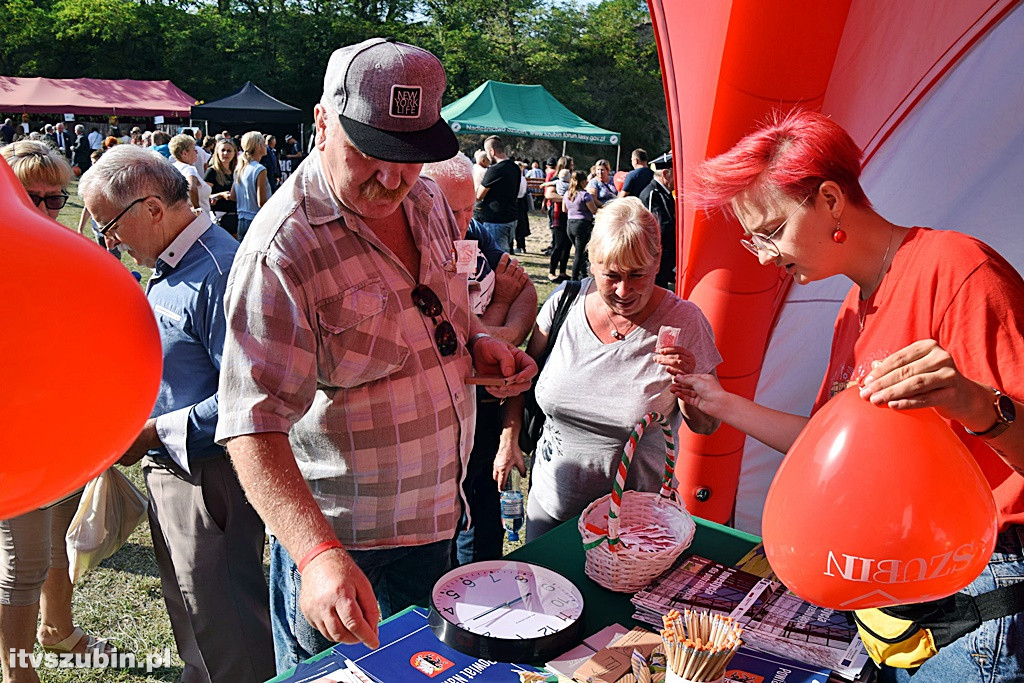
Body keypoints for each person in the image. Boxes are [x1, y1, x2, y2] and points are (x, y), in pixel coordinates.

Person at [214, 37, 537, 673]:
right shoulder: (281, 250)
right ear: (321, 121)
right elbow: (251, 424)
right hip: (345, 543)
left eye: (408, 154)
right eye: (368, 151)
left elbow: (439, 315)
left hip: (439, 517)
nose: (390, 177)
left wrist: (478, 346)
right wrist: (313, 553)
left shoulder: (429, 201)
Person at [681, 109, 1024, 683]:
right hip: (904, 578)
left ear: (831, 201)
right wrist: (715, 400)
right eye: (752, 239)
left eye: (771, 231)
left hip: (983, 576)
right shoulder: (853, 309)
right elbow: (825, 448)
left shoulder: (959, 270)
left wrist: (972, 404)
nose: (764, 256)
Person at [79, 146, 275, 683]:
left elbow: (248, 395)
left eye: (110, 226)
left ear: (152, 209)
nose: (108, 241)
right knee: (194, 611)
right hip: (177, 466)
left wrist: (152, 432)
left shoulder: (218, 269)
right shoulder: (175, 260)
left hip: (207, 473)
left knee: (224, 621)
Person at [494, 197, 721, 540]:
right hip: (550, 508)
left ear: (658, 261)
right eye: (611, 275)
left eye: (637, 275)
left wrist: (686, 384)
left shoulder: (685, 321)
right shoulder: (564, 302)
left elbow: (706, 425)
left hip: (632, 530)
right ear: (591, 263)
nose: (624, 290)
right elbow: (522, 378)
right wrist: (509, 439)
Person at [0, 140, 114, 683]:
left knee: (54, 537)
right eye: (32, 197)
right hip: (16, 438)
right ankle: (19, 673)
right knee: (23, 562)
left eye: (57, 197)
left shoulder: (66, 254)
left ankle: (57, 628)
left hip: (60, 429)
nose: (48, 209)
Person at [422, 152, 538, 565]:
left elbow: (525, 292)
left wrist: (497, 334)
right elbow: (449, 329)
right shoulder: (410, 245)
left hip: (485, 408)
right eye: (449, 209)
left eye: (468, 207)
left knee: (483, 517)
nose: (460, 220)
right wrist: (496, 309)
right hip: (437, 418)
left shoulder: (471, 234)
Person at [471, 135, 521, 253]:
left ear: (492, 151)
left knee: (496, 256)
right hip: (511, 217)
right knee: (503, 252)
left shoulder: (495, 170)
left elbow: (479, 195)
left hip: (496, 219)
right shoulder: (515, 168)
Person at [638, 156, 676, 289]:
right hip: (657, 257)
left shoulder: (664, 193)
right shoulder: (653, 194)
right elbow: (658, 228)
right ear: (665, 174)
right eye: (675, 174)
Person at [232, 130, 270, 239]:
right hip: (256, 220)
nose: (265, 146)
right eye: (263, 143)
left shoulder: (239, 168)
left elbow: (233, 196)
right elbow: (261, 202)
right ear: (258, 146)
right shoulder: (260, 169)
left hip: (241, 220)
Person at [564, 170, 599, 281]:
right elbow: (594, 210)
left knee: (580, 251)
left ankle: (583, 274)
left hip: (570, 224)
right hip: (582, 224)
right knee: (579, 254)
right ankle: (574, 278)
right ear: (583, 181)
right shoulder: (585, 195)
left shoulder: (567, 194)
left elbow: (564, 209)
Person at [169, 133, 212, 215]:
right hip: (198, 220)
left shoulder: (173, 168)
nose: (196, 152)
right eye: (194, 149)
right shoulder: (189, 169)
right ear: (184, 153)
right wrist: (197, 208)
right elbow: (191, 187)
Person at [544, 164, 572, 281]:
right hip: (559, 216)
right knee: (558, 245)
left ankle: (562, 271)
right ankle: (552, 271)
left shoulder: (571, 182)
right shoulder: (556, 181)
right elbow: (549, 194)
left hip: (570, 216)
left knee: (567, 246)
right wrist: (567, 198)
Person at [205, 138, 239, 236]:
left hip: (236, 215)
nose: (225, 153)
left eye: (229, 151)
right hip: (220, 217)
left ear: (234, 153)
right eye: (223, 150)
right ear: (217, 153)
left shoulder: (236, 172)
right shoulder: (212, 172)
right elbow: (205, 196)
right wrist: (221, 195)